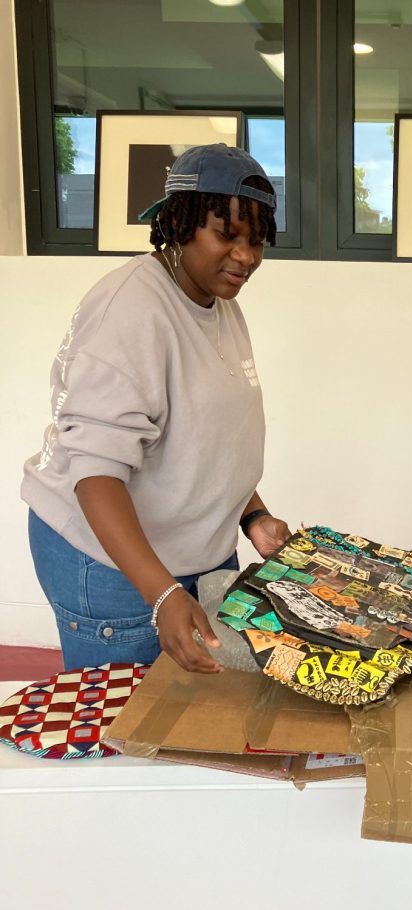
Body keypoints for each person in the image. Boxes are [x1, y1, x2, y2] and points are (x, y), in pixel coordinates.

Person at [22, 143, 291, 674]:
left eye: (257, 240)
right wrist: (163, 594)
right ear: (178, 223)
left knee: (198, 714)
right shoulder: (131, 310)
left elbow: (204, 437)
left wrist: (252, 514)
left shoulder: (218, 303)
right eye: (228, 235)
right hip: (110, 564)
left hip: (192, 555)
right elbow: (95, 473)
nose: (247, 257)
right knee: (126, 727)